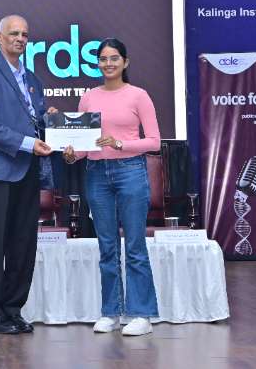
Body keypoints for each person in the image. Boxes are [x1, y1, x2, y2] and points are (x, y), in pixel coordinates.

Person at [63, 38, 160, 336]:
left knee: (134, 246)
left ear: (125, 62)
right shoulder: (88, 98)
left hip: (130, 171)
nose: (108, 63)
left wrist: (119, 144)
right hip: (96, 173)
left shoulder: (138, 95)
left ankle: (141, 314)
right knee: (106, 247)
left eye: (114, 58)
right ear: (98, 63)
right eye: (103, 59)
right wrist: (72, 155)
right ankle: (111, 312)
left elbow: (154, 142)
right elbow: (84, 146)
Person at [0, 14, 55, 334]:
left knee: (23, 244)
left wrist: (51, 121)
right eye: (14, 33)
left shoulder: (32, 78)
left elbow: (34, 119)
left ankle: (13, 309)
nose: (20, 39)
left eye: (25, 35)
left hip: (28, 169)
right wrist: (27, 143)